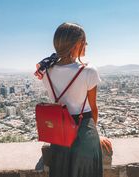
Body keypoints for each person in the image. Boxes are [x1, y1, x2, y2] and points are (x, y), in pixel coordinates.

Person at [34, 22, 112, 177]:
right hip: (84, 133)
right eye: (85, 42)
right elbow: (93, 108)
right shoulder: (88, 71)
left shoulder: (46, 71)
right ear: (77, 44)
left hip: (59, 133)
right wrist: (96, 136)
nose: (86, 45)